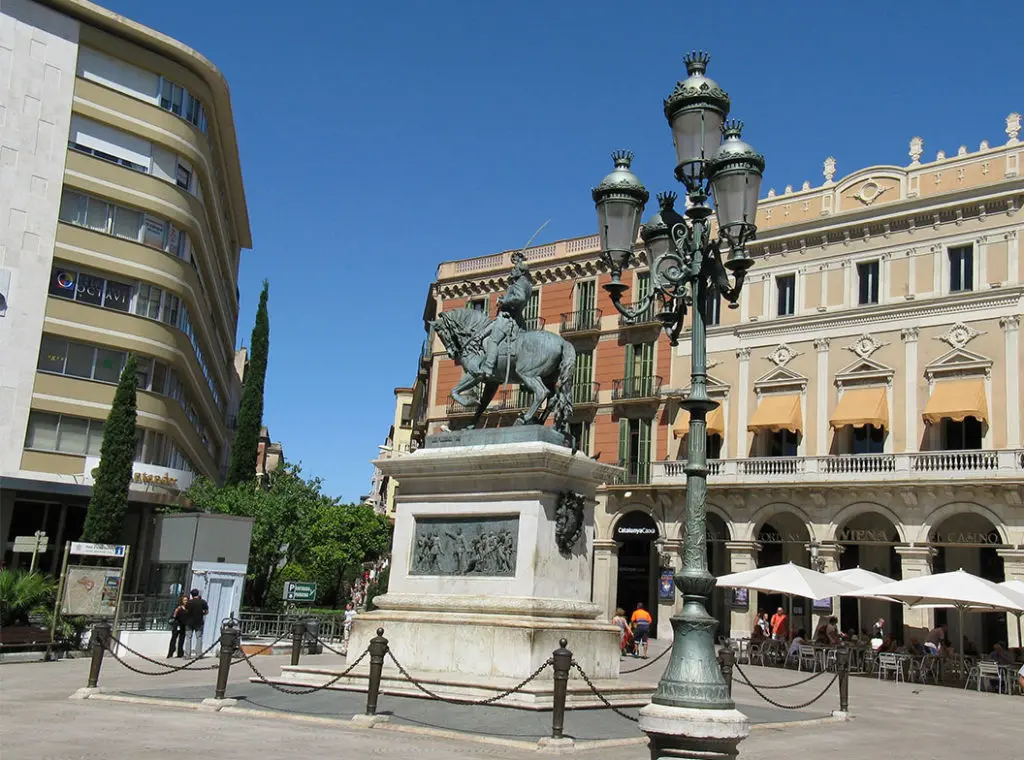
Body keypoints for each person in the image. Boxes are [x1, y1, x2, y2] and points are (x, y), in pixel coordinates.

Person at [475, 253, 533, 377]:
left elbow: (520, 297)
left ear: (521, 272)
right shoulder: (528, 285)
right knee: (484, 332)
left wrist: (503, 301)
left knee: (493, 341)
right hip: (518, 320)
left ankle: (488, 368)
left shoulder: (518, 284)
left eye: (515, 269)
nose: (513, 271)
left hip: (508, 318)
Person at [183, 588, 209, 658]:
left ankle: (187, 655)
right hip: (199, 622)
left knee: (188, 638)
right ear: (198, 594)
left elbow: (186, 610)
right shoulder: (203, 602)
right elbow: (206, 611)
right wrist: (202, 614)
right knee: (199, 638)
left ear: (191, 595)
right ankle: (198, 654)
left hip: (189, 622)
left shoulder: (189, 603)